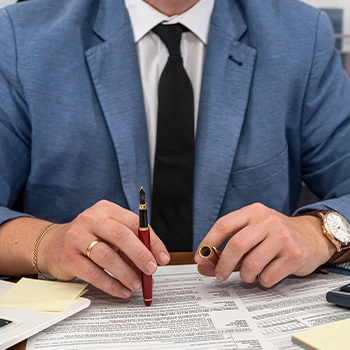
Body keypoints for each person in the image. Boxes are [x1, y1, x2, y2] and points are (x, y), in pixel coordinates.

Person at [1, 0, 350, 300]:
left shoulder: (301, 36)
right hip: (87, 313)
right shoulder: (22, 36)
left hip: (247, 310)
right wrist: (48, 243)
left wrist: (319, 233)